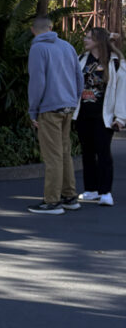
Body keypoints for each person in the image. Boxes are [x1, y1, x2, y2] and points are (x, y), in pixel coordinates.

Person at [27, 16, 84, 214]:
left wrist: (33, 110)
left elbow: (37, 83)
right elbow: (79, 77)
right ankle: (69, 196)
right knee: (65, 153)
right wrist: (73, 101)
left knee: (53, 157)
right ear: (52, 27)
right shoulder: (68, 47)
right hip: (68, 106)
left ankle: (52, 201)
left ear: (33, 30)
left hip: (49, 108)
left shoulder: (37, 49)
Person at [73, 27, 126, 206]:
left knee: (103, 153)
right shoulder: (81, 60)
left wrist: (120, 118)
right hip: (83, 114)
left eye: (89, 38)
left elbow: (122, 92)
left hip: (104, 116)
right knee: (87, 153)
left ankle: (105, 192)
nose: (85, 40)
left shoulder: (116, 63)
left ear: (98, 41)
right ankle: (91, 190)